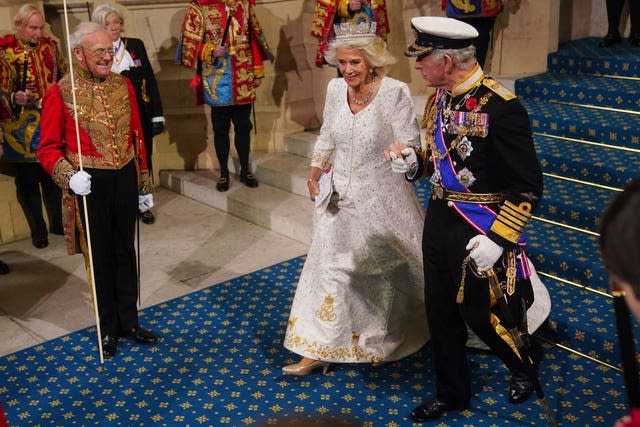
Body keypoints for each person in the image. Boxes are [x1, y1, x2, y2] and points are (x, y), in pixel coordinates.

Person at [387, 16, 544, 421]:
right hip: (440, 218)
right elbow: (443, 162)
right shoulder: (439, 97)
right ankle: (452, 393)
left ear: (447, 59)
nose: (418, 66)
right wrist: (414, 163)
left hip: (482, 224)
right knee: (439, 308)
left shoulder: (501, 107)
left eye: (424, 59)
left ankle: (524, 368)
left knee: (486, 311)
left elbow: (527, 186)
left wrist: (499, 237)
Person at [281, 22, 428, 376]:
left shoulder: (394, 92)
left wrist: (401, 150)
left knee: (391, 271)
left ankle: (380, 336)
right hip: (337, 198)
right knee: (328, 271)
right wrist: (315, 171)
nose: (347, 70)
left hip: (382, 198)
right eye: (342, 63)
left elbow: (413, 143)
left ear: (372, 63)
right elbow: (327, 136)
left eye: (355, 64)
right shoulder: (334, 90)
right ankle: (319, 348)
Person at [37, 22, 157, 359]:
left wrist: (143, 183)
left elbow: (137, 136)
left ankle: (129, 321)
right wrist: (68, 176)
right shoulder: (60, 92)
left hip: (123, 179)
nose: (107, 57)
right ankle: (107, 327)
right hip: (89, 183)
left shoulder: (124, 85)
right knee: (100, 258)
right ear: (78, 53)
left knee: (125, 251)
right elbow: (46, 149)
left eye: (110, 50)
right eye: (99, 51)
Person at [176, 0, 273, 192]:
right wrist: (210, 50)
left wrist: (258, 72)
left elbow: (253, 38)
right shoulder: (199, 7)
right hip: (217, 80)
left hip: (243, 76)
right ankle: (223, 173)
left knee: (243, 127)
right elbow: (190, 43)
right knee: (221, 129)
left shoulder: (243, 4)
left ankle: (245, 170)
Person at [91, 4, 165, 225]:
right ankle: (123, 206)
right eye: (108, 23)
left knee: (143, 159)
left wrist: (157, 115)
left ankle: (144, 204)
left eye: (116, 22)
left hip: (140, 114)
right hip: (112, 119)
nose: (114, 27)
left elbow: (150, 81)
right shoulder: (95, 50)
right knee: (120, 164)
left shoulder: (135, 45)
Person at [0, 4, 65, 249]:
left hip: (49, 122)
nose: (38, 33)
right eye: (32, 28)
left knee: (52, 176)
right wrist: (14, 96)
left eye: (40, 27)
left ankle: (58, 222)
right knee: (28, 182)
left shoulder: (51, 46)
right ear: (19, 26)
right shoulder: (5, 51)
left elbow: (62, 78)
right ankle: (38, 230)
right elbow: (2, 90)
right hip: (20, 129)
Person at [311, 0, 389, 68]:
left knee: (372, 63)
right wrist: (346, 5)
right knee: (349, 63)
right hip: (347, 25)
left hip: (370, 22)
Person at [443, 0, 509, 68]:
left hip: (484, 7)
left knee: (481, 41)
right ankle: (457, 73)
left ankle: (477, 73)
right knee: (458, 43)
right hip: (457, 8)